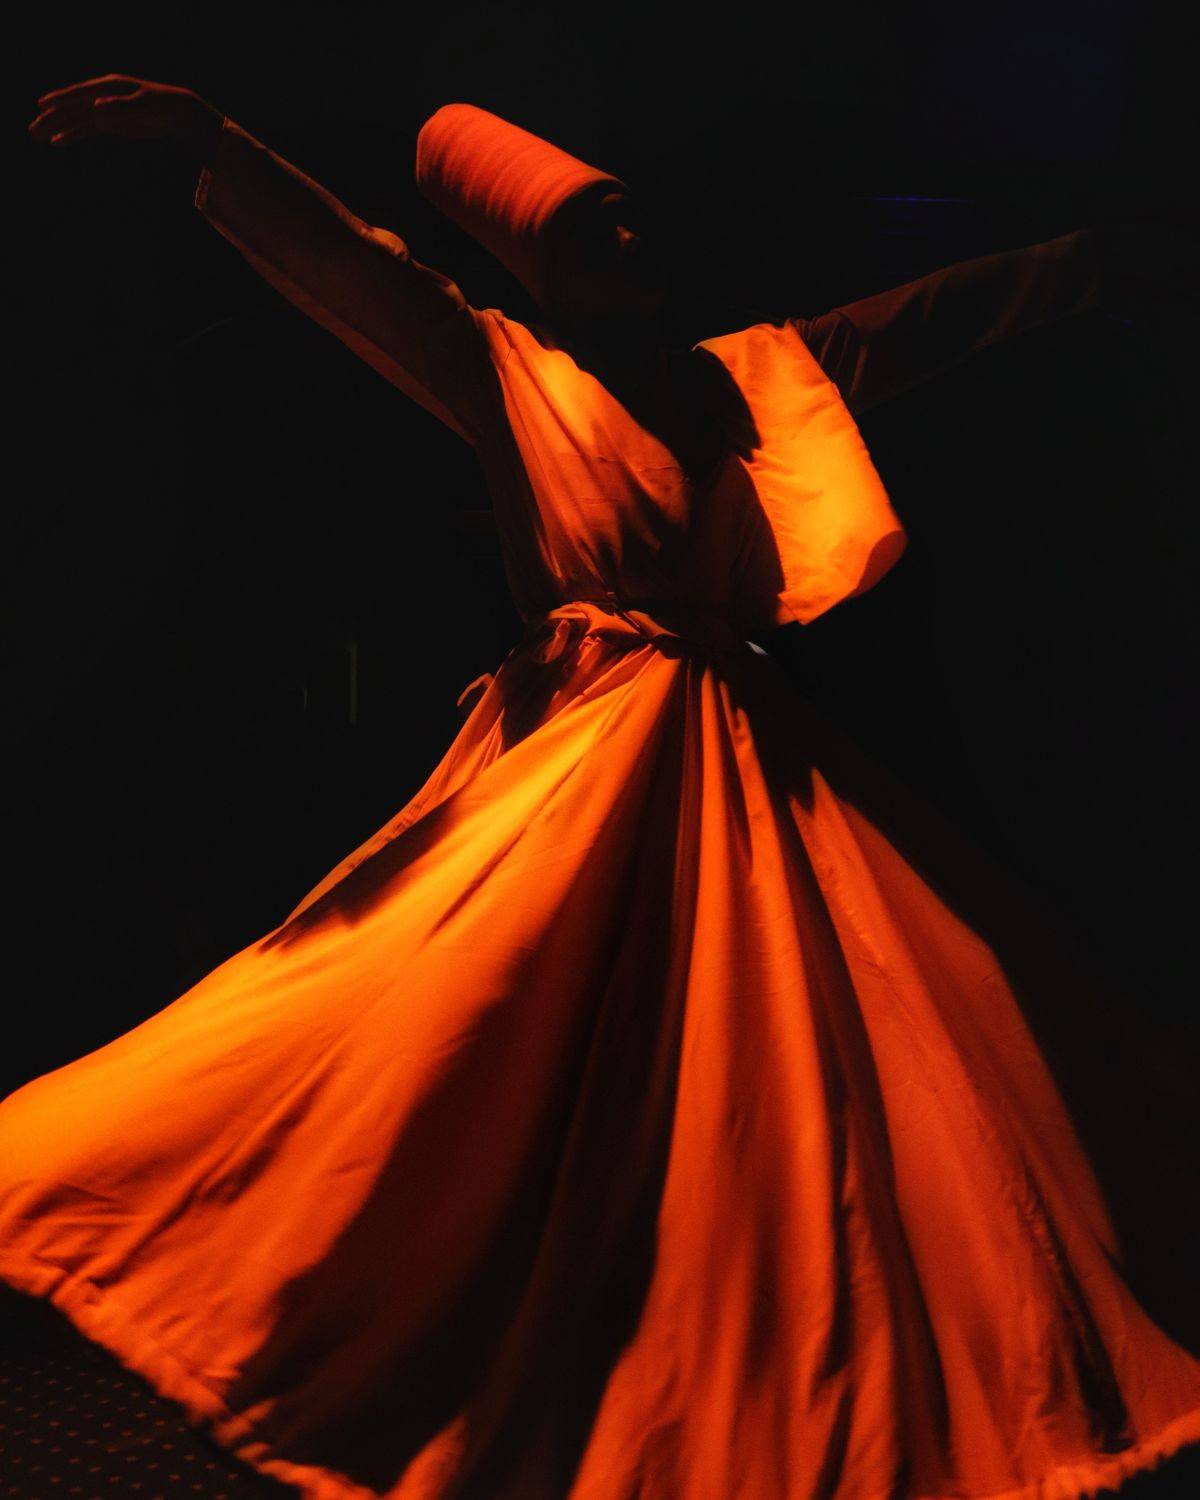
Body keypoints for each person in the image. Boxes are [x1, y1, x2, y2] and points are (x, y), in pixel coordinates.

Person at [4, 73, 1198, 1500]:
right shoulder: (503, 364)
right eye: (594, 232)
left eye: (633, 220)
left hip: (727, 734)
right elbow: (359, 271)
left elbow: (932, 315)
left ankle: (734, 1312)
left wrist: (1095, 259)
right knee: (471, 1004)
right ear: (542, 266)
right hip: (584, 736)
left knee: (802, 1024)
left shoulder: (751, 374)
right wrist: (216, 144)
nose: (634, 244)